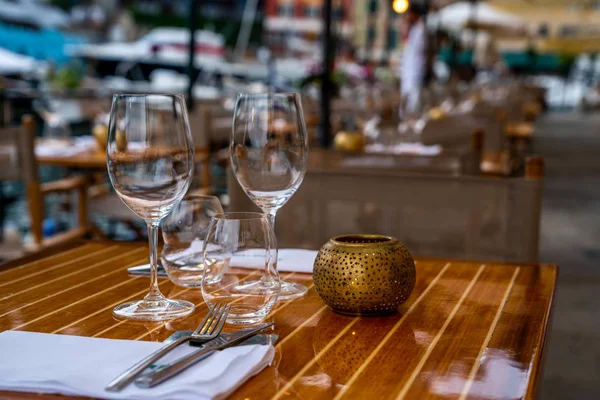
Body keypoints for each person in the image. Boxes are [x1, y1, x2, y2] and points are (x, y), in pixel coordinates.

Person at [401, 4, 427, 113]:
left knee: (413, 100)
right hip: (409, 70)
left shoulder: (421, 29)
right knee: (407, 98)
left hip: (415, 70)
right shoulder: (414, 29)